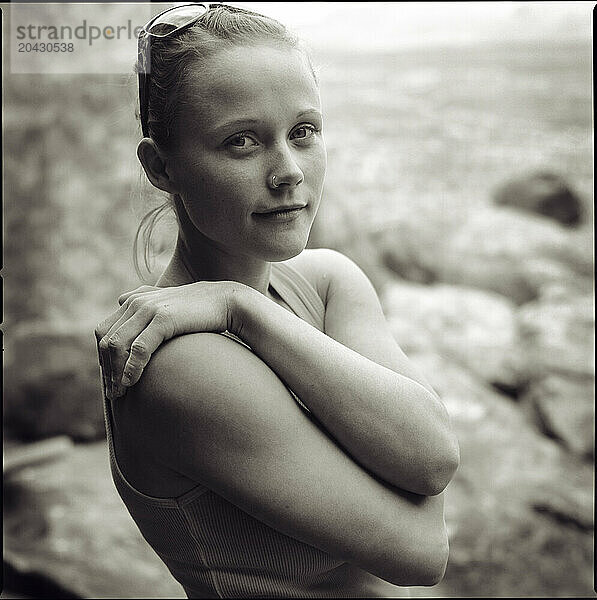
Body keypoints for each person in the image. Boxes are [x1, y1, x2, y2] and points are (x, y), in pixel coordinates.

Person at [95, 4, 460, 598]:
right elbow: (422, 551)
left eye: (303, 132)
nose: (288, 171)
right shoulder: (180, 368)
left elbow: (432, 455)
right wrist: (238, 308)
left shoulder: (325, 281)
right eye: (241, 142)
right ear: (161, 167)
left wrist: (243, 307)